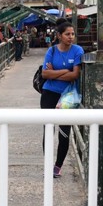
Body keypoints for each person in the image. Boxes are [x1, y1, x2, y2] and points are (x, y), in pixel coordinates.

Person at [41, 19, 84, 178]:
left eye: (72, 34)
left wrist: (56, 73)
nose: (71, 37)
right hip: (49, 93)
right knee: (48, 129)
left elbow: (75, 75)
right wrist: (66, 71)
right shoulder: (51, 51)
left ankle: (57, 167)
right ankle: (47, 165)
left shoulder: (78, 51)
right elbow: (45, 74)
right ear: (59, 35)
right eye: (67, 34)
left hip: (68, 96)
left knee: (64, 132)